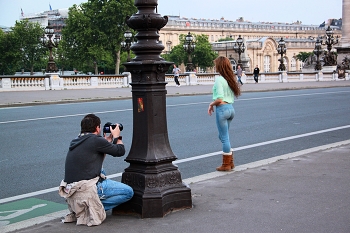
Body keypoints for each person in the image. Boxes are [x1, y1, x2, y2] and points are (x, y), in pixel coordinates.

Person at [59, 114, 133, 225]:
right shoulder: (96, 141)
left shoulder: (76, 140)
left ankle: (85, 206)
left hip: (72, 190)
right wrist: (117, 136)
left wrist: (106, 141)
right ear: (97, 128)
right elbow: (120, 151)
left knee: (101, 171)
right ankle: (92, 209)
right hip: (86, 188)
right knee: (128, 192)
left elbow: (93, 150)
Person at [208, 56, 241, 171]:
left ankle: (226, 164)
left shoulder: (219, 79)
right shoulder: (230, 79)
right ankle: (230, 162)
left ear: (219, 66)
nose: (215, 66)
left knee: (224, 138)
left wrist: (211, 104)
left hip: (222, 109)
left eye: (216, 64)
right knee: (223, 136)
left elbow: (220, 98)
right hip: (231, 109)